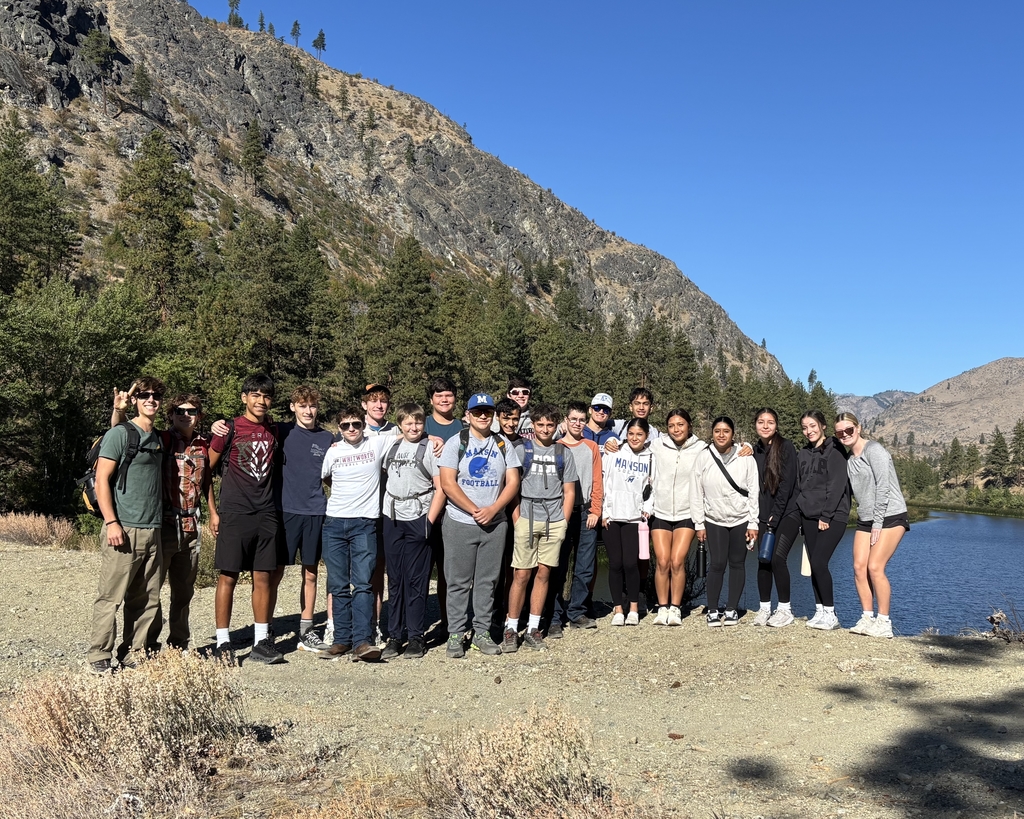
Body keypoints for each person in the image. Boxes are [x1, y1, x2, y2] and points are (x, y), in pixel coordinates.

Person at [87, 377, 166, 673]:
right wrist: (111, 522)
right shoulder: (122, 434)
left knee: (147, 598)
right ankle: (99, 655)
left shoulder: (158, 436)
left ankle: (135, 652)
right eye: (144, 395)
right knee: (111, 596)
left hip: (153, 527)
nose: (150, 399)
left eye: (155, 395)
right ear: (134, 400)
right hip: (123, 527)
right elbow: (102, 479)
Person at [208, 374, 285, 664]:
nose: (261, 401)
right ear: (244, 398)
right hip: (234, 511)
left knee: (263, 577)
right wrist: (213, 512)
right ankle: (223, 643)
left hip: (266, 513)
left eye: (266, 396)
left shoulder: (275, 431)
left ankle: (261, 641)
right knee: (227, 576)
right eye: (255, 395)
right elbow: (206, 471)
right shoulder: (228, 429)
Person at [438, 393, 521, 658]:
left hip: (495, 525)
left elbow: (513, 482)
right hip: (460, 522)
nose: (483, 416)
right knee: (458, 581)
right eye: (477, 412)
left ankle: (481, 632)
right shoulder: (457, 442)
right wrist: (474, 509)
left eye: (487, 412)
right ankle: (455, 634)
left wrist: (494, 509)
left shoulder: (503, 444)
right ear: (468, 415)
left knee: (488, 582)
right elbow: (448, 483)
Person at [319, 404, 398, 661]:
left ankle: (363, 641)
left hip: (364, 523)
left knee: (363, 584)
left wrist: (434, 438)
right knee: (338, 584)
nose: (352, 429)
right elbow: (324, 477)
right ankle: (342, 639)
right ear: (339, 429)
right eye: (346, 425)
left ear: (363, 425)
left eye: (356, 424)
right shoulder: (333, 452)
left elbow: (407, 434)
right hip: (334, 523)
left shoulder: (375, 444)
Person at [145, 393, 216, 652]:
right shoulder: (161, 440)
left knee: (184, 590)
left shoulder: (203, 445)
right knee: (152, 587)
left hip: (191, 524)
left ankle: (178, 644)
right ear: (170, 414)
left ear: (199, 415)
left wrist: (213, 512)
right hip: (163, 523)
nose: (185, 415)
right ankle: (149, 644)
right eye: (179, 410)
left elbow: (207, 479)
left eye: (191, 411)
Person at [502, 404, 577, 652]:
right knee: (521, 574)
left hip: (554, 518)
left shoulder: (563, 453)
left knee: (544, 573)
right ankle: (511, 627)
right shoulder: (520, 449)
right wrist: (516, 517)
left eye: (550, 425)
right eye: (540, 425)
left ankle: (533, 627)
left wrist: (563, 522)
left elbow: (569, 492)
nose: (545, 429)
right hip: (527, 516)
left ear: (557, 426)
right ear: (532, 425)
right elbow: (511, 486)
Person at [380, 403, 446, 659]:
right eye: (408, 423)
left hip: (419, 515)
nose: (413, 427)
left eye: (418, 422)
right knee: (395, 578)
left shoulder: (431, 447)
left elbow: (440, 487)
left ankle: (417, 635)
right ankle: (395, 635)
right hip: (392, 516)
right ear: (400, 424)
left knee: (417, 579)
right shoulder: (391, 445)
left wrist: (429, 521)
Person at [835, 412, 909, 638]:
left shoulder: (873, 450)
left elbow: (883, 487)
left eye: (849, 430)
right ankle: (867, 618)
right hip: (866, 519)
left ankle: (884, 622)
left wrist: (878, 523)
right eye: (840, 432)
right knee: (859, 567)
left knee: (875, 567)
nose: (845, 435)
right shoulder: (849, 459)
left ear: (858, 428)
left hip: (891, 516)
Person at [690, 416, 759, 627]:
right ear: (712, 433)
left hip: (740, 518)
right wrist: (698, 523)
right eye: (717, 431)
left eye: (726, 431)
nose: (721, 435)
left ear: (733, 434)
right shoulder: (703, 457)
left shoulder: (745, 457)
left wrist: (753, 522)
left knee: (737, 563)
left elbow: (754, 491)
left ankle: (731, 609)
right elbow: (696, 491)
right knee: (717, 564)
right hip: (714, 518)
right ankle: (712, 610)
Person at [546, 400, 603, 632]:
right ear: (565, 421)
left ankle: (577, 611)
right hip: (561, 512)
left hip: (586, 511)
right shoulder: (556, 446)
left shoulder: (591, 447)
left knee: (585, 566)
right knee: (557, 565)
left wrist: (596, 509)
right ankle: (555, 616)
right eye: (574, 420)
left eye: (581, 420)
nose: (578, 424)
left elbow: (598, 481)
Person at [796, 410, 851, 630]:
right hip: (808, 515)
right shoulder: (803, 453)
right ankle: (819, 610)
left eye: (813, 426)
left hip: (833, 515)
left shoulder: (835, 450)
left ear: (823, 426)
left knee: (819, 562)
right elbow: (801, 484)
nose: (808, 431)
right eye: (804, 427)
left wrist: (826, 515)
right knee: (813, 565)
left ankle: (831, 613)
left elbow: (837, 485)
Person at [648, 409, 703, 626]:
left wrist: (743, 447)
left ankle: (676, 608)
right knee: (662, 562)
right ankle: (662, 608)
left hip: (687, 513)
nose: (676, 429)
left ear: (689, 426)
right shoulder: (657, 445)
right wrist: (615, 442)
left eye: (680, 424)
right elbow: (634, 444)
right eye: (671, 426)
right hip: (660, 511)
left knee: (677, 561)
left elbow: (725, 451)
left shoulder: (701, 448)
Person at [601, 418, 654, 626]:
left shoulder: (650, 457)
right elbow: (604, 483)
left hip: (635, 519)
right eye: (631, 434)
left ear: (646, 436)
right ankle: (617, 609)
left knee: (631, 564)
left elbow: (653, 486)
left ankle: (633, 607)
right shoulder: (613, 453)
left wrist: (647, 509)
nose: (634, 438)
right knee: (615, 564)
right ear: (626, 434)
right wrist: (604, 511)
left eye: (639, 434)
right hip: (612, 517)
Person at [750, 408, 800, 628]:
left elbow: (787, 485)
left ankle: (785, 609)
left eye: (770, 422)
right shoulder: (754, 450)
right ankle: (764, 609)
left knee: (778, 558)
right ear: (755, 425)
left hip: (787, 513)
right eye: (761, 422)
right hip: (763, 516)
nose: (766, 426)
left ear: (776, 425)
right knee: (763, 560)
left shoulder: (786, 447)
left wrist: (775, 515)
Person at [423, 377, 464, 639]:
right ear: (431, 400)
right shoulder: (421, 423)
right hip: (424, 507)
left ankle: (449, 624)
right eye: (439, 396)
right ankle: (413, 624)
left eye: (448, 396)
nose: (444, 400)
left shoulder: (463, 427)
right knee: (421, 570)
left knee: (449, 573)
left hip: (455, 509)